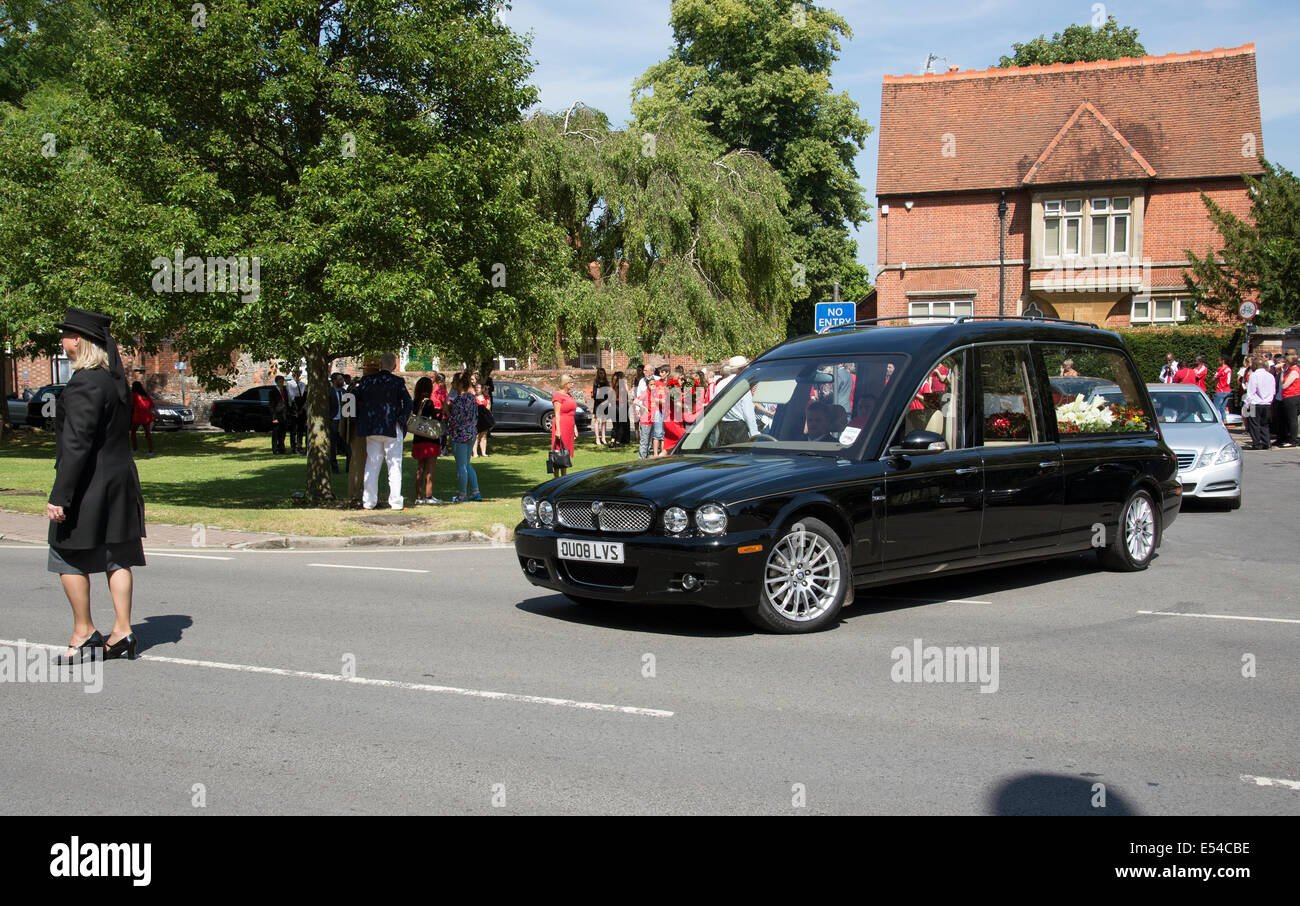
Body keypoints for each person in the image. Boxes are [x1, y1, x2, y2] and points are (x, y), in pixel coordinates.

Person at [46, 307, 146, 663]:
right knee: (117, 556)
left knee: (65, 553)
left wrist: (61, 494)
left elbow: (77, 444)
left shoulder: (84, 383)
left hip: (90, 485)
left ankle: (84, 631)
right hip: (120, 481)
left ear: (76, 341)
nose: (62, 340)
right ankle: (122, 632)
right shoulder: (113, 380)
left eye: (65, 334)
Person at [357, 352, 412, 510]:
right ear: (394, 366)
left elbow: (355, 397)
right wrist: (401, 420)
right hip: (391, 426)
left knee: (372, 465)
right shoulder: (397, 382)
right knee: (394, 465)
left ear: (380, 365)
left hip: (372, 426)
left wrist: (362, 417)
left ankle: (368, 502)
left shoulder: (367, 381)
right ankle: (395, 502)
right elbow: (408, 403)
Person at [447, 373, 482, 501]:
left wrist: (447, 410)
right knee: (467, 464)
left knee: (461, 465)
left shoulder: (459, 400)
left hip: (460, 435)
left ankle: (462, 494)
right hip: (471, 433)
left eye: (454, 382)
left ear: (460, 384)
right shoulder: (472, 398)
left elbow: (456, 419)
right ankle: (475, 492)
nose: (452, 385)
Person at [409, 376, 444, 504]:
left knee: (420, 468)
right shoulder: (428, 402)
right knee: (430, 469)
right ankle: (429, 496)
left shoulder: (415, 402)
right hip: (429, 439)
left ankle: (418, 497)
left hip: (418, 438)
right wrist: (440, 412)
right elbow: (433, 419)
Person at [715, 355, 757, 446]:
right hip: (739, 428)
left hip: (723, 427)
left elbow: (715, 407)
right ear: (742, 368)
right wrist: (754, 433)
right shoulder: (742, 383)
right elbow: (748, 412)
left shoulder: (720, 384)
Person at [1244, 356, 1276, 450]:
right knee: (1264, 424)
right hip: (1267, 403)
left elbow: (1251, 391)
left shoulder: (1254, 375)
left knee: (1254, 424)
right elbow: (1273, 391)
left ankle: (1256, 443)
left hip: (1255, 403)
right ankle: (1266, 442)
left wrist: (1247, 404)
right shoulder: (1270, 375)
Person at [550, 374, 578, 476]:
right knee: (558, 452)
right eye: (571, 382)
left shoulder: (569, 396)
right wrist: (558, 430)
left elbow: (572, 413)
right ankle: (557, 479)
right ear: (565, 383)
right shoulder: (558, 396)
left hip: (569, 426)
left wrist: (575, 428)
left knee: (565, 453)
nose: (573, 384)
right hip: (561, 426)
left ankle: (564, 477)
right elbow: (557, 414)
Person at [327, 372, 349, 474]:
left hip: (344, 421)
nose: (342, 381)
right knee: (332, 446)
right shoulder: (329, 392)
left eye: (342, 379)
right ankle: (334, 469)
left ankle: (348, 467)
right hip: (333, 421)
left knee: (347, 444)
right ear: (334, 381)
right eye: (340, 379)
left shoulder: (345, 392)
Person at [1278, 350, 1300, 448]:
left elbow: (1284, 385)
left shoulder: (1294, 371)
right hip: (1289, 397)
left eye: (1285, 362)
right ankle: (1289, 438)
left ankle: (1293, 440)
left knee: (1292, 419)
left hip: (1292, 397)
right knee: (1289, 419)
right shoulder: (1291, 370)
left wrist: (1282, 373)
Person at [129, 380, 156, 456]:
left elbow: (131, 404)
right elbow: (152, 405)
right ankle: (150, 451)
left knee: (133, 433)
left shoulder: (134, 395)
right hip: (147, 416)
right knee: (147, 434)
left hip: (138, 416)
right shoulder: (145, 395)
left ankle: (135, 449)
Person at [269, 375, 291, 454]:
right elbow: (272, 405)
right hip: (277, 415)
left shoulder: (284, 391)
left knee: (283, 433)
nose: (282, 383)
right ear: (277, 382)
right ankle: (275, 449)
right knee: (276, 433)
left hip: (284, 415)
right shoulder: (273, 392)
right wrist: (274, 417)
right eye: (280, 382)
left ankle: (281, 448)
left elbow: (287, 402)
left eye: (283, 382)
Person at [286, 367, 307, 453]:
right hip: (294, 407)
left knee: (301, 429)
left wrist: (302, 407)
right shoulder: (290, 384)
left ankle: (299, 445)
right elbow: (291, 396)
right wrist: (296, 408)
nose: (297, 376)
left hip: (301, 406)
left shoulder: (302, 384)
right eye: (296, 375)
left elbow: (303, 395)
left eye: (298, 374)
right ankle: (293, 446)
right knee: (294, 429)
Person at [610, 370, 630, 447]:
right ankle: (618, 442)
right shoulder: (622, 387)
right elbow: (627, 393)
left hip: (612, 407)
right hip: (621, 407)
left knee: (615, 426)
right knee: (621, 425)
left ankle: (612, 441)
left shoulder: (613, 386)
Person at [592, 368, 611, 446]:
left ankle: (603, 438)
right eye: (600, 373)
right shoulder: (596, 382)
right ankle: (597, 438)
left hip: (605, 403)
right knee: (597, 421)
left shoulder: (606, 383)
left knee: (604, 421)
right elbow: (595, 394)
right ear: (598, 374)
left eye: (603, 373)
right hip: (598, 404)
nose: (602, 374)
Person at [1212, 356, 1233, 422]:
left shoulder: (1221, 369)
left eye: (1219, 360)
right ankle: (1224, 421)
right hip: (1227, 390)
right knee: (1223, 408)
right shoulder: (1229, 369)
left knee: (1215, 408)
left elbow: (1214, 379)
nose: (1218, 362)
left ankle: (1217, 422)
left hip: (1220, 390)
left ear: (1223, 361)